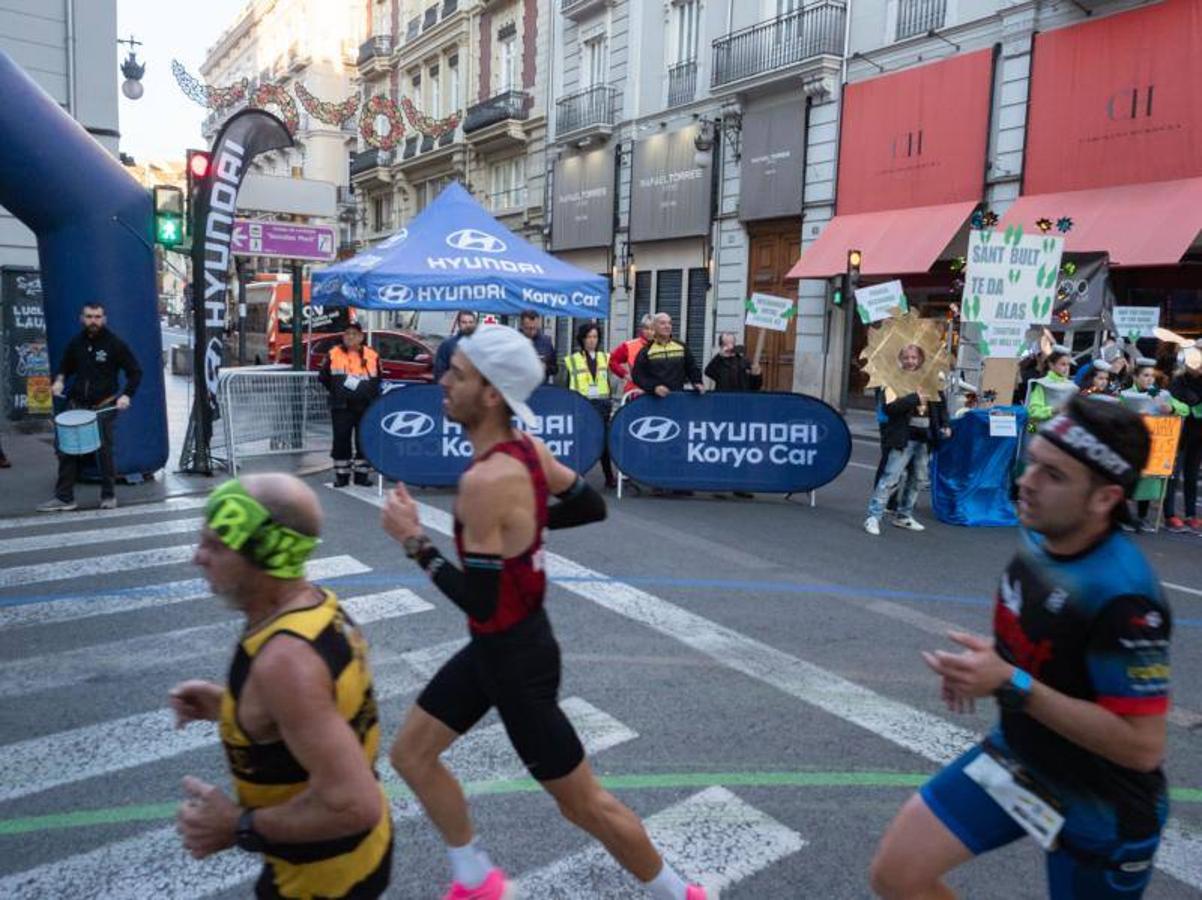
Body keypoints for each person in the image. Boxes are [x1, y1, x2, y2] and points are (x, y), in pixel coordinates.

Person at [381, 325, 709, 900]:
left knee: (585, 806)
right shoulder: (526, 451)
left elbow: (480, 598)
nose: (442, 383)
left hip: (516, 661)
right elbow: (586, 505)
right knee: (411, 754)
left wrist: (415, 543)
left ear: (489, 395)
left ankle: (680, 895)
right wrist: (527, 528)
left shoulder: (485, 482)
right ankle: (476, 879)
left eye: (456, 374)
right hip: (499, 645)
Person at [870, 396, 1171, 900]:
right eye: (1031, 461)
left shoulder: (1126, 597)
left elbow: (1141, 747)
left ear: (1104, 499)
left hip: (1102, 806)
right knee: (898, 875)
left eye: (1053, 475)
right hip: (1022, 759)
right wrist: (989, 662)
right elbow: (1051, 643)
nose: (1026, 481)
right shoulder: (1041, 536)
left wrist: (1010, 682)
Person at [172, 474, 393, 899]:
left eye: (216, 545)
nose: (198, 557)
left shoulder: (284, 663)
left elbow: (353, 805)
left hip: (322, 882)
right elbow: (324, 713)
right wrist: (230, 706)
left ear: (265, 555)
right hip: (355, 856)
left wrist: (236, 826)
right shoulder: (315, 606)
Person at [38, 302, 142, 512]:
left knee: (103, 451)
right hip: (76, 405)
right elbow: (65, 366)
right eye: (89, 316)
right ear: (81, 319)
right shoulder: (76, 343)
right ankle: (65, 498)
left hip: (103, 406)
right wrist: (59, 380)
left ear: (104, 319)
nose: (93, 321)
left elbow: (135, 372)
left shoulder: (115, 344)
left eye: (97, 316)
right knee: (66, 450)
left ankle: (108, 496)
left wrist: (127, 396)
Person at [863, 344, 949, 536]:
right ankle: (873, 516)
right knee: (890, 478)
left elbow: (940, 405)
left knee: (918, 479)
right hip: (903, 436)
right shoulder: (893, 380)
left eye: (914, 357)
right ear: (901, 360)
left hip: (924, 436)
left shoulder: (930, 379)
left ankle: (904, 515)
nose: (911, 361)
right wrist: (914, 398)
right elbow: (890, 408)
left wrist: (945, 424)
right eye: (907, 358)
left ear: (920, 359)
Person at [1120, 359, 1188, 532]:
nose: (1150, 379)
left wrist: (1171, 409)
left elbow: (1184, 409)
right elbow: (1116, 415)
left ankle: (1142, 518)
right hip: (1130, 443)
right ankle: (1123, 516)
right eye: (1145, 375)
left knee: (1148, 479)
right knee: (1128, 479)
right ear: (1135, 377)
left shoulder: (1160, 394)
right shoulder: (1125, 395)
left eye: (1152, 376)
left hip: (1153, 444)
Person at [319, 322, 381, 488]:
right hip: (342, 406)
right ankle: (342, 476)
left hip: (366, 406)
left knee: (364, 440)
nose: (350, 337)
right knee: (341, 440)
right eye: (347, 334)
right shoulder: (333, 354)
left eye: (354, 334)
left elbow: (378, 378)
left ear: (361, 337)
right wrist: (337, 391)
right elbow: (324, 377)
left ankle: (361, 476)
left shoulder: (372, 354)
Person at [564, 322, 617, 489]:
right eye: (588, 337)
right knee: (582, 442)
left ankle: (609, 477)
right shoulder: (573, 360)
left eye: (595, 337)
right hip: (582, 405)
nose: (592, 340)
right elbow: (568, 384)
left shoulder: (604, 357)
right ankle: (578, 475)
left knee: (603, 442)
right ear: (582, 339)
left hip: (601, 405)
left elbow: (609, 382)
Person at [1162, 346, 1202, 533]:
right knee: (1173, 475)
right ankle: (1170, 514)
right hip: (1179, 434)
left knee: (1192, 475)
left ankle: (1191, 514)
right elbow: (1172, 403)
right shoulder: (1178, 382)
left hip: (1198, 434)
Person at [631, 313, 705, 398]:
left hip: (677, 397)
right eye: (662, 323)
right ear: (654, 327)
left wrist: (697, 382)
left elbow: (692, 368)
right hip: (654, 400)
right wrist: (654, 387)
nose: (667, 326)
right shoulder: (646, 351)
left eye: (669, 323)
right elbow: (637, 376)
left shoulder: (681, 347)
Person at [1025, 346, 1078, 432]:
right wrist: (1054, 410)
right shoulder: (1040, 384)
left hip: (1063, 434)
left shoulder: (1073, 387)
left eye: (1068, 364)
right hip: (1042, 434)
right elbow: (1033, 412)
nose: (1067, 368)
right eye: (1063, 364)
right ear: (1051, 365)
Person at [608, 314, 654, 399]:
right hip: (634, 393)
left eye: (652, 329)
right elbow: (612, 361)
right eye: (646, 328)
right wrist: (625, 374)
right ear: (641, 329)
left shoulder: (663, 346)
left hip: (655, 393)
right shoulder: (629, 346)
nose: (649, 332)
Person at [434, 311, 478, 382]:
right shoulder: (447, 345)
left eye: (471, 322)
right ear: (459, 324)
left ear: (475, 324)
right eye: (464, 322)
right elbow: (439, 371)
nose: (468, 325)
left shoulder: (481, 344)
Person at [519, 310, 558, 383]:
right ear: (521, 325)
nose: (532, 331)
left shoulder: (546, 342)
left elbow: (555, 368)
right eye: (528, 328)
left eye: (535, 328)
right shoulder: (513, 341)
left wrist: (546, 368)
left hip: (541, 388)